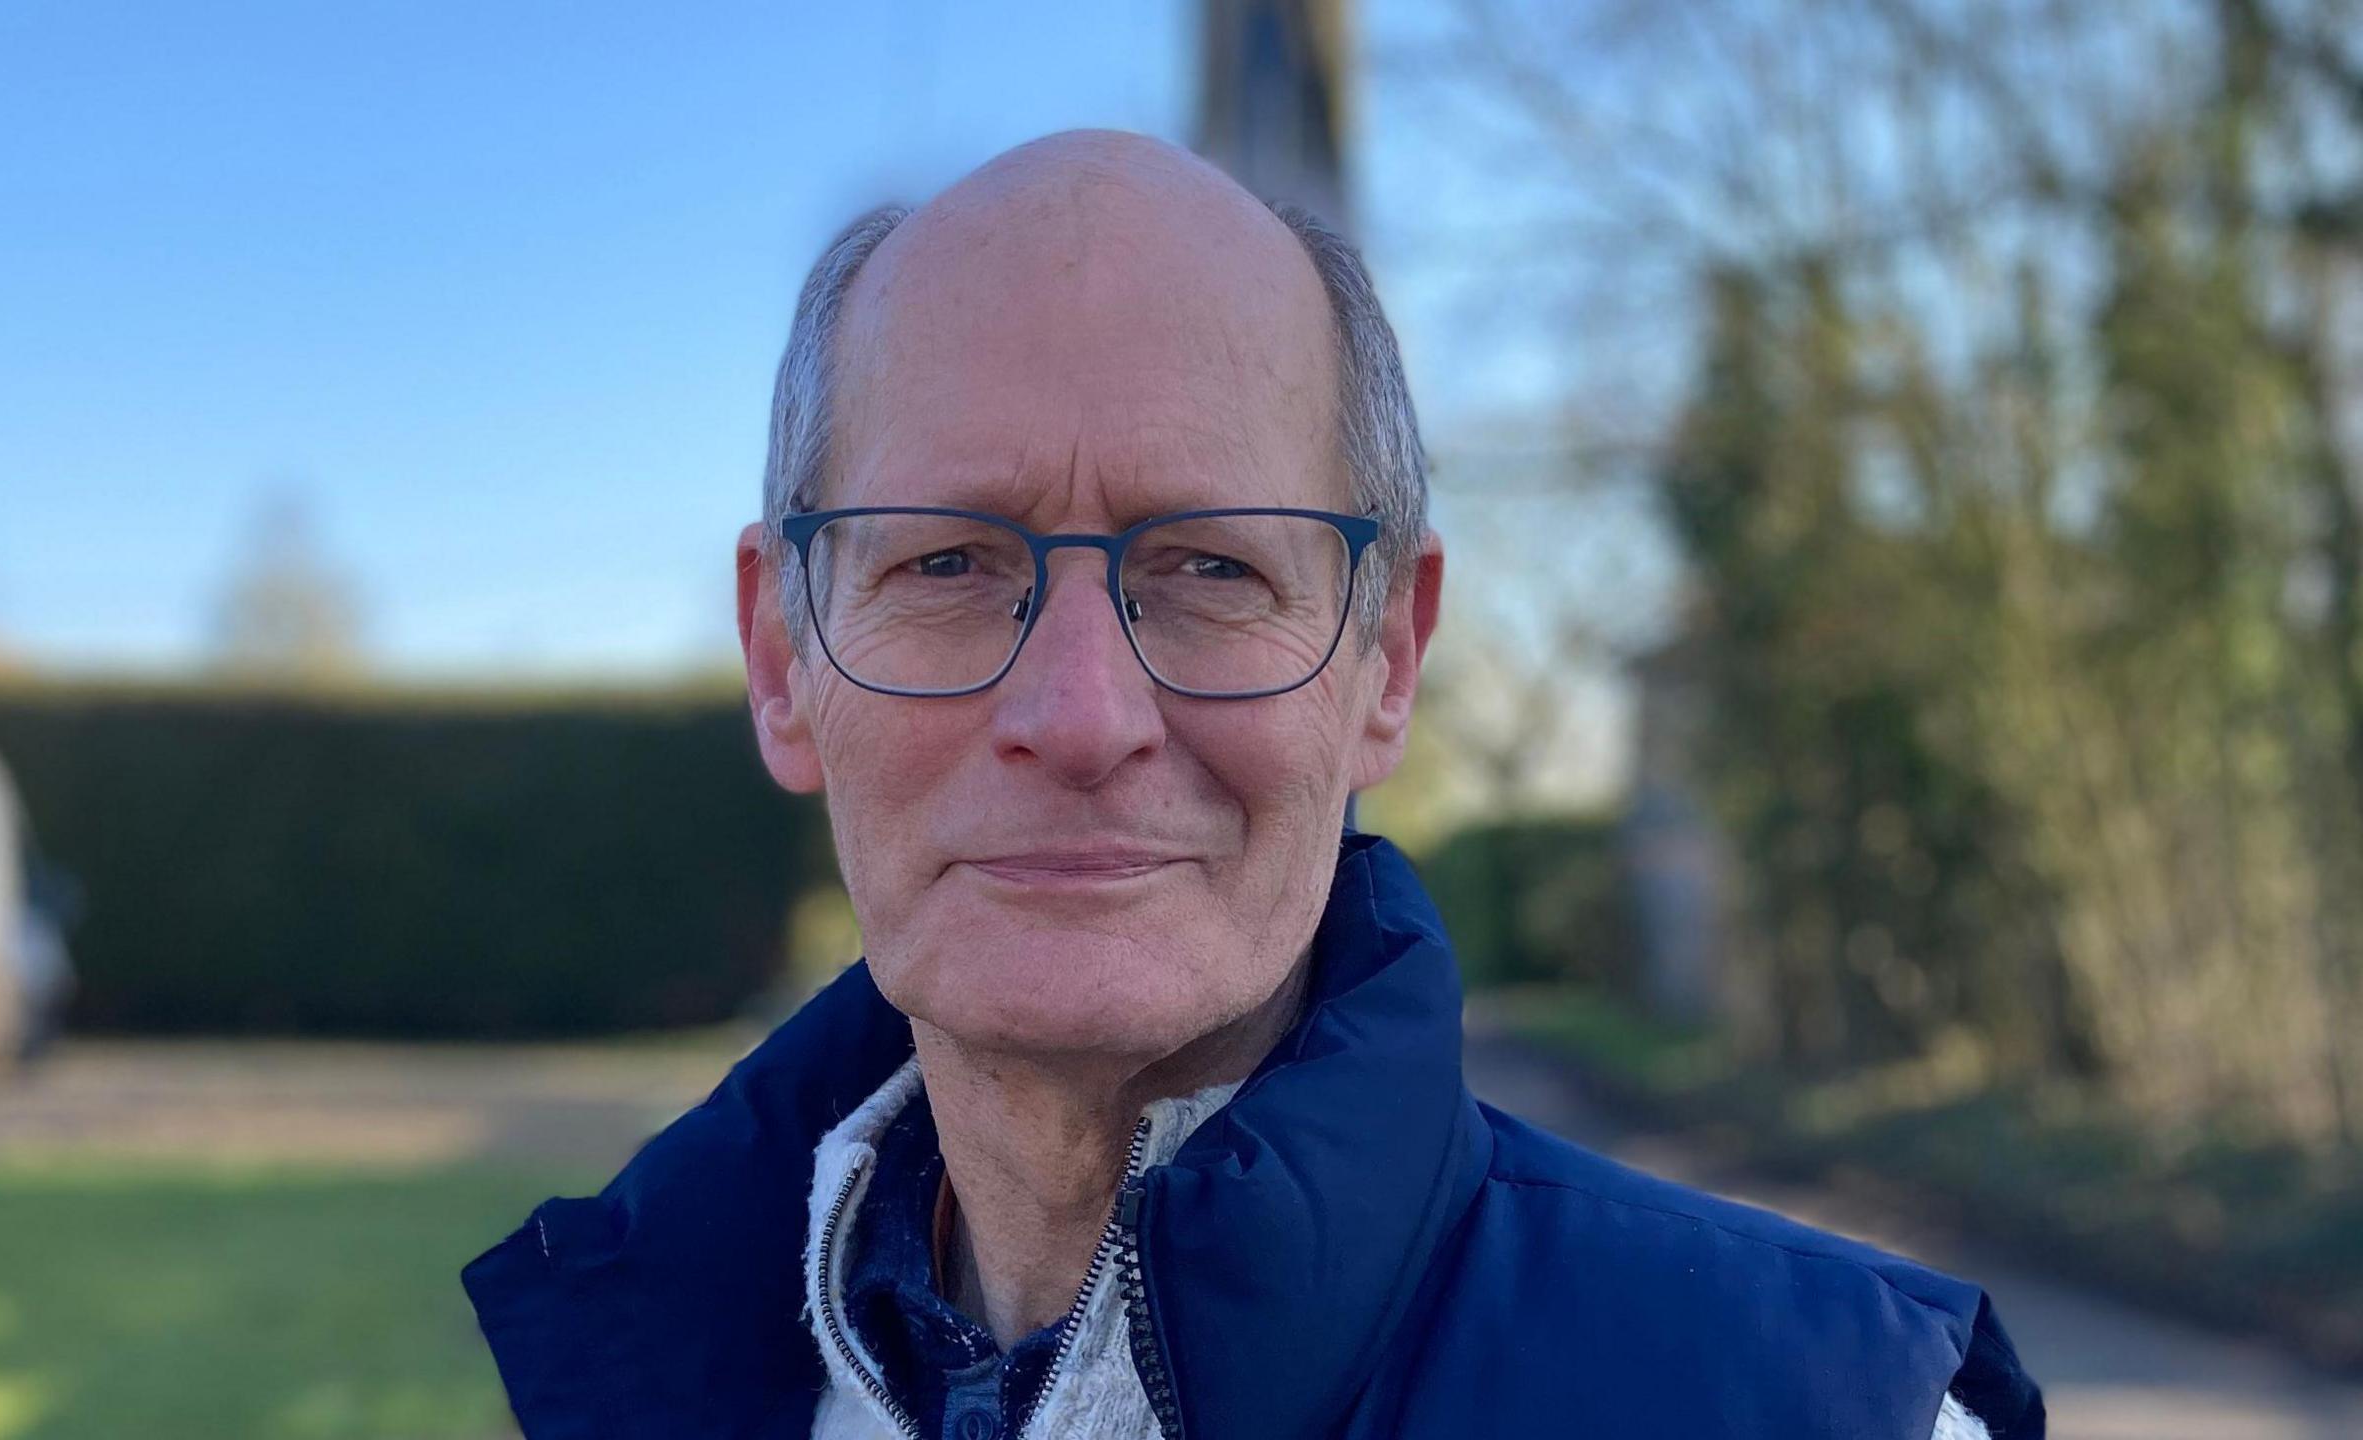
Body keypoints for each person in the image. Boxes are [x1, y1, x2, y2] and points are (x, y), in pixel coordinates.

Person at [462, 128, 2044, 1440]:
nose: (1080, 716)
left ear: (1387, 662)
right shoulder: (649, 1373)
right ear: (780, 657)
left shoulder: (1831, 1415)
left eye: (1212, 567)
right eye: (945, 562)